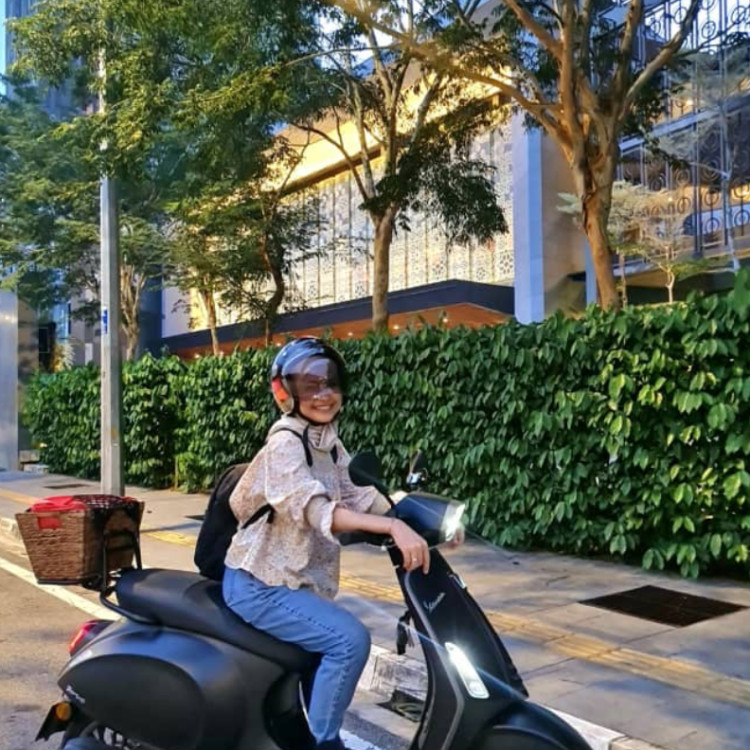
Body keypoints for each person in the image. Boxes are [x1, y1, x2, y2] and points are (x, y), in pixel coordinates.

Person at [222, 337, 447, 750]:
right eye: (310, 386)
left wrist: (424, 519)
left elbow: (359, 495)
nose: (324, 395)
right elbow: (315, 508)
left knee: (334, 641)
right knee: (349, 641)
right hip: (260, 584)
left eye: (330, 384)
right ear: (286, 393)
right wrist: (391, 528)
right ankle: (325, 743)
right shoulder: (285, 443)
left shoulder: (326, 442)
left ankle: (310, 727)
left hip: (294, 581)